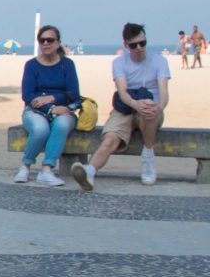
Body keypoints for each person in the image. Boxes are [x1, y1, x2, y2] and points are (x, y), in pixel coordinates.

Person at [71, 22, 169, 190]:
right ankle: (90, 171)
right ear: (125, 45)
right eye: (134, 45)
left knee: (149, 108)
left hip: (151, 109)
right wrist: (134, 104)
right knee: (110, 139)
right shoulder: (119, 63)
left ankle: (148, 157)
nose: (139, 48)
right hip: (126, 107)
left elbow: (164, 91)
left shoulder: (159, 61)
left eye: (142, 43)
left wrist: (159, 107)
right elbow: (122, 91)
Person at [15, 25, 81, 186]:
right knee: (40, 129)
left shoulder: (67, 64)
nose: (46, 43)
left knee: (62, 125)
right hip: (35, 110)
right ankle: (26, 165)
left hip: (63, 109)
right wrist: (50, 108)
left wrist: (50, 98)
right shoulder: (31, 65)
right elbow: (28, 95)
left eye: (50, 40)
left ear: (58, 43)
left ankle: (46, 169)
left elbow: (73, 94)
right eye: (42, 40)